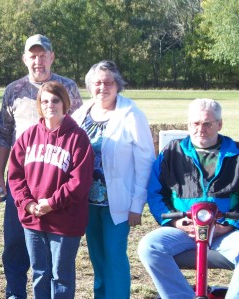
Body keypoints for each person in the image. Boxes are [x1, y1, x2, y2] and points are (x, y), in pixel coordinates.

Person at [0, 33, 82, 299]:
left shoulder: (67, 88)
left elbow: (77, 131)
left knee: (54, 255)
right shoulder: (14, 90)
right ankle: (15, 294)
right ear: (24, 59)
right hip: (21, 182)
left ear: (52, 57)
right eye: (32, 56)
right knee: (15, 245)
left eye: (43, 55)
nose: (38, 61)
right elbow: (4, 135)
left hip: (56, 182)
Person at [138, 98, 239, 299]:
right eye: (195, 123)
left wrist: (227, 224)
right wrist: (175, 222)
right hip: (184, 230)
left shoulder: (236, 153)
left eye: (207, 123)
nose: (201, 129)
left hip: (227, 231)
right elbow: (155, 193)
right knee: (149, 247)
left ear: (219, 124)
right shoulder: (171, 152)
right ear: (188, 124)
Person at [72, 60, 155, 299]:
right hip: (87, 202)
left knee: (115, 256)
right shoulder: (81, 114)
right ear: (90, 86)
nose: (103, 87)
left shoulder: (131, 114)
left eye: (108, 82)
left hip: (118, 203)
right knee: (97, 258)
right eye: (97, 83)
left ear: (117, 85)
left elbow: (145, 160)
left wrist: (137, 205)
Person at [8, 81, 94, 298]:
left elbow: (79, 182)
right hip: (33, 218)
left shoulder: (78, 138)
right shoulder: (28, 136)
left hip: (64, 220)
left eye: (55, 100)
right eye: (44, 101)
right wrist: (27, 203)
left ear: (65, 103)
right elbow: (15, 174)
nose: (50, 105)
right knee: (39, 272)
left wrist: (52, 203)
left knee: (61, 275)